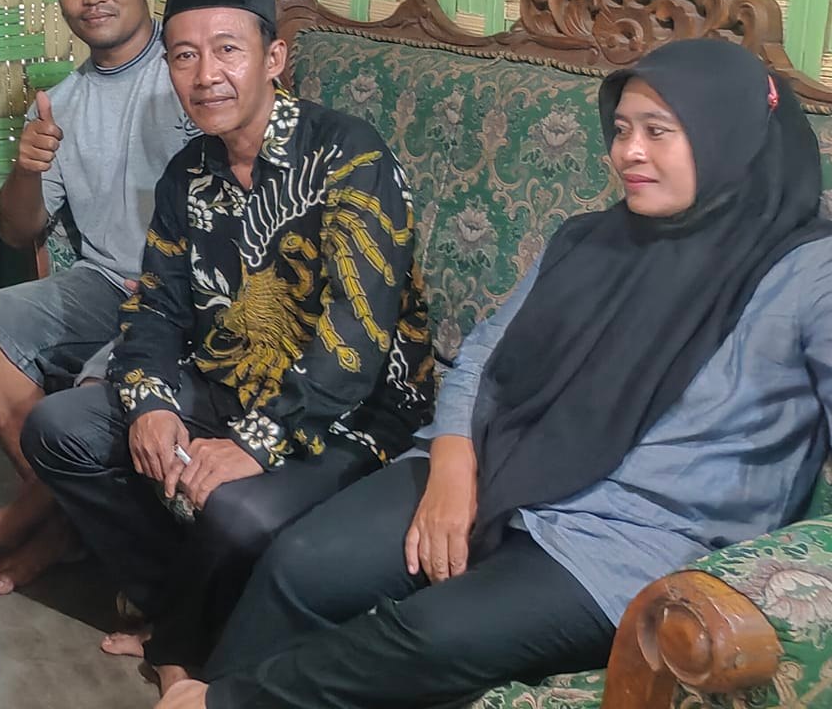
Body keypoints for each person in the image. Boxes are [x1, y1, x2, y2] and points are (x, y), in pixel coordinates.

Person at [162, 38, 832, 709]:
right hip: (498, 463)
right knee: (302, 562)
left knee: (426, 635)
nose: (627, 152)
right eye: (622, 129)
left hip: (624, 541)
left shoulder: (808, 274)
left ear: (728, 135)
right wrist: (453, 469)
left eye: (658, 132)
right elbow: (482, 355)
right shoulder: (588, 239)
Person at [20, 0, 436, 690]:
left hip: (352, 407)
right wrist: (150, 403)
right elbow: (156, 305)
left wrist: (255, 441)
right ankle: (174, 604)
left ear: (274, 58)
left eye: (227, 50)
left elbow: (355, 344)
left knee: (238, 510)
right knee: (59, 428)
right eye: (184, 55)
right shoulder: (188, 173)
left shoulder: (349, 157)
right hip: (228, 381)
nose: (205, 75)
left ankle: (180, 648)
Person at [0, 0, 193, 594]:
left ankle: (14, 529)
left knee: (95, 390)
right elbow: (20, 229)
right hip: (104, 282)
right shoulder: (61, 103)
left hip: (182, 295)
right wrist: (28, 167)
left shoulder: (187, 74)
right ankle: (67, 518)